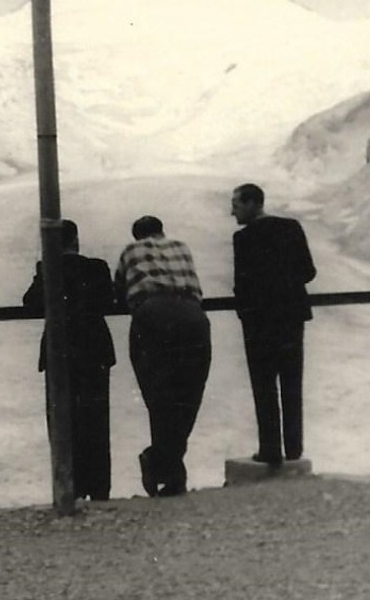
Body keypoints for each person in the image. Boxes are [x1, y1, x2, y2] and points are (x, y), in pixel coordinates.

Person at [114, 215, 211, 498]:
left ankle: (160, 462)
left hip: (152, 316)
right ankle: (170, 472)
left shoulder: (130, 252)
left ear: (137, 236)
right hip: (193, 315)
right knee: (189, 394)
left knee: (159, 395)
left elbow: (119, 291)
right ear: (162, 231)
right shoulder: (182, 246)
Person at [21, 219, 117, 501]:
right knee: (96, 421)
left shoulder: (47, 269)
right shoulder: (96, 267)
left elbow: (31, 302)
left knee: (62, 420)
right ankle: (99, 488)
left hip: (59, 350)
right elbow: (108, 300)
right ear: (76, 240)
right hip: (94, 350)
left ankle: (69, 487)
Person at [230, 183, 317, 471]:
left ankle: (270, 449)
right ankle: (294, 448)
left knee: (264, 384)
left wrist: (248, 310)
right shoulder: (292, 227)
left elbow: (241, 284)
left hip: (259, 322)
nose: (233, 212)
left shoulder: (243, 239)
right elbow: (309, 271)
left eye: (237, 205)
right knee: (292, 382)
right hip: (291, 317)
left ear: (253, 204)